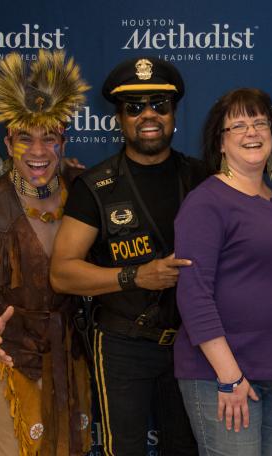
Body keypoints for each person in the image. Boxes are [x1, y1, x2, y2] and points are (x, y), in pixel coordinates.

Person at [50, 56, 204, 456]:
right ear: (119, 118)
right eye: (134, 108)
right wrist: (133, 276)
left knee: (187, 449)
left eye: (159, 104)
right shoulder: (96, 186)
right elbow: (62, 273)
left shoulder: (203, 179)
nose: (148, 115)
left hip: (192, 342)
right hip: (122, 341)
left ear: (173, 114)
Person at [0, 49, 92, 456]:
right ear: (8, 141)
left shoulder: (85, 190)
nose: (38, 151)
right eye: (25, 138)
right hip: (12, 355)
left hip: (71, 351)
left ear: (63, 140)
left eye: (50, 138)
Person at [172, 88, 272, 455]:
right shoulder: (206, 202)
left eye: (259, 122)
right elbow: (193, 293)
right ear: (220, 143)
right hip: (225, 375)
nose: (251, 131)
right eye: (238, 125)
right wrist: (229, 376)